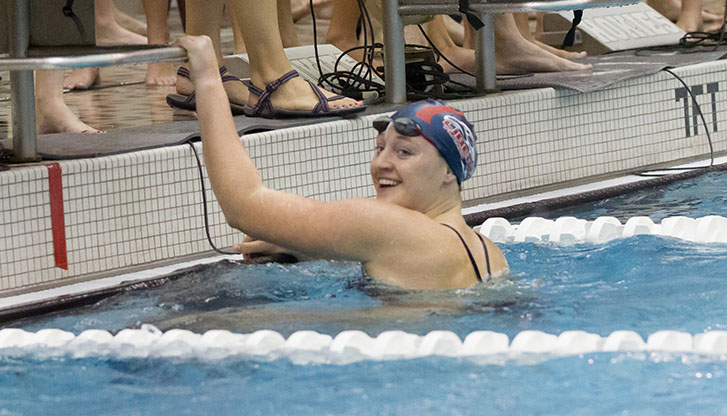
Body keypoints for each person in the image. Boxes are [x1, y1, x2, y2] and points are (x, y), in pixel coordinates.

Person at [175, 34, 509, 290]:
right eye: (380, 148)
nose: (382, 164)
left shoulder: (383, 225)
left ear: (450, 171)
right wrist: (315, 247)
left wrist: (207, 79)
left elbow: (243, 206)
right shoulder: (489, 253)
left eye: (404, 152)